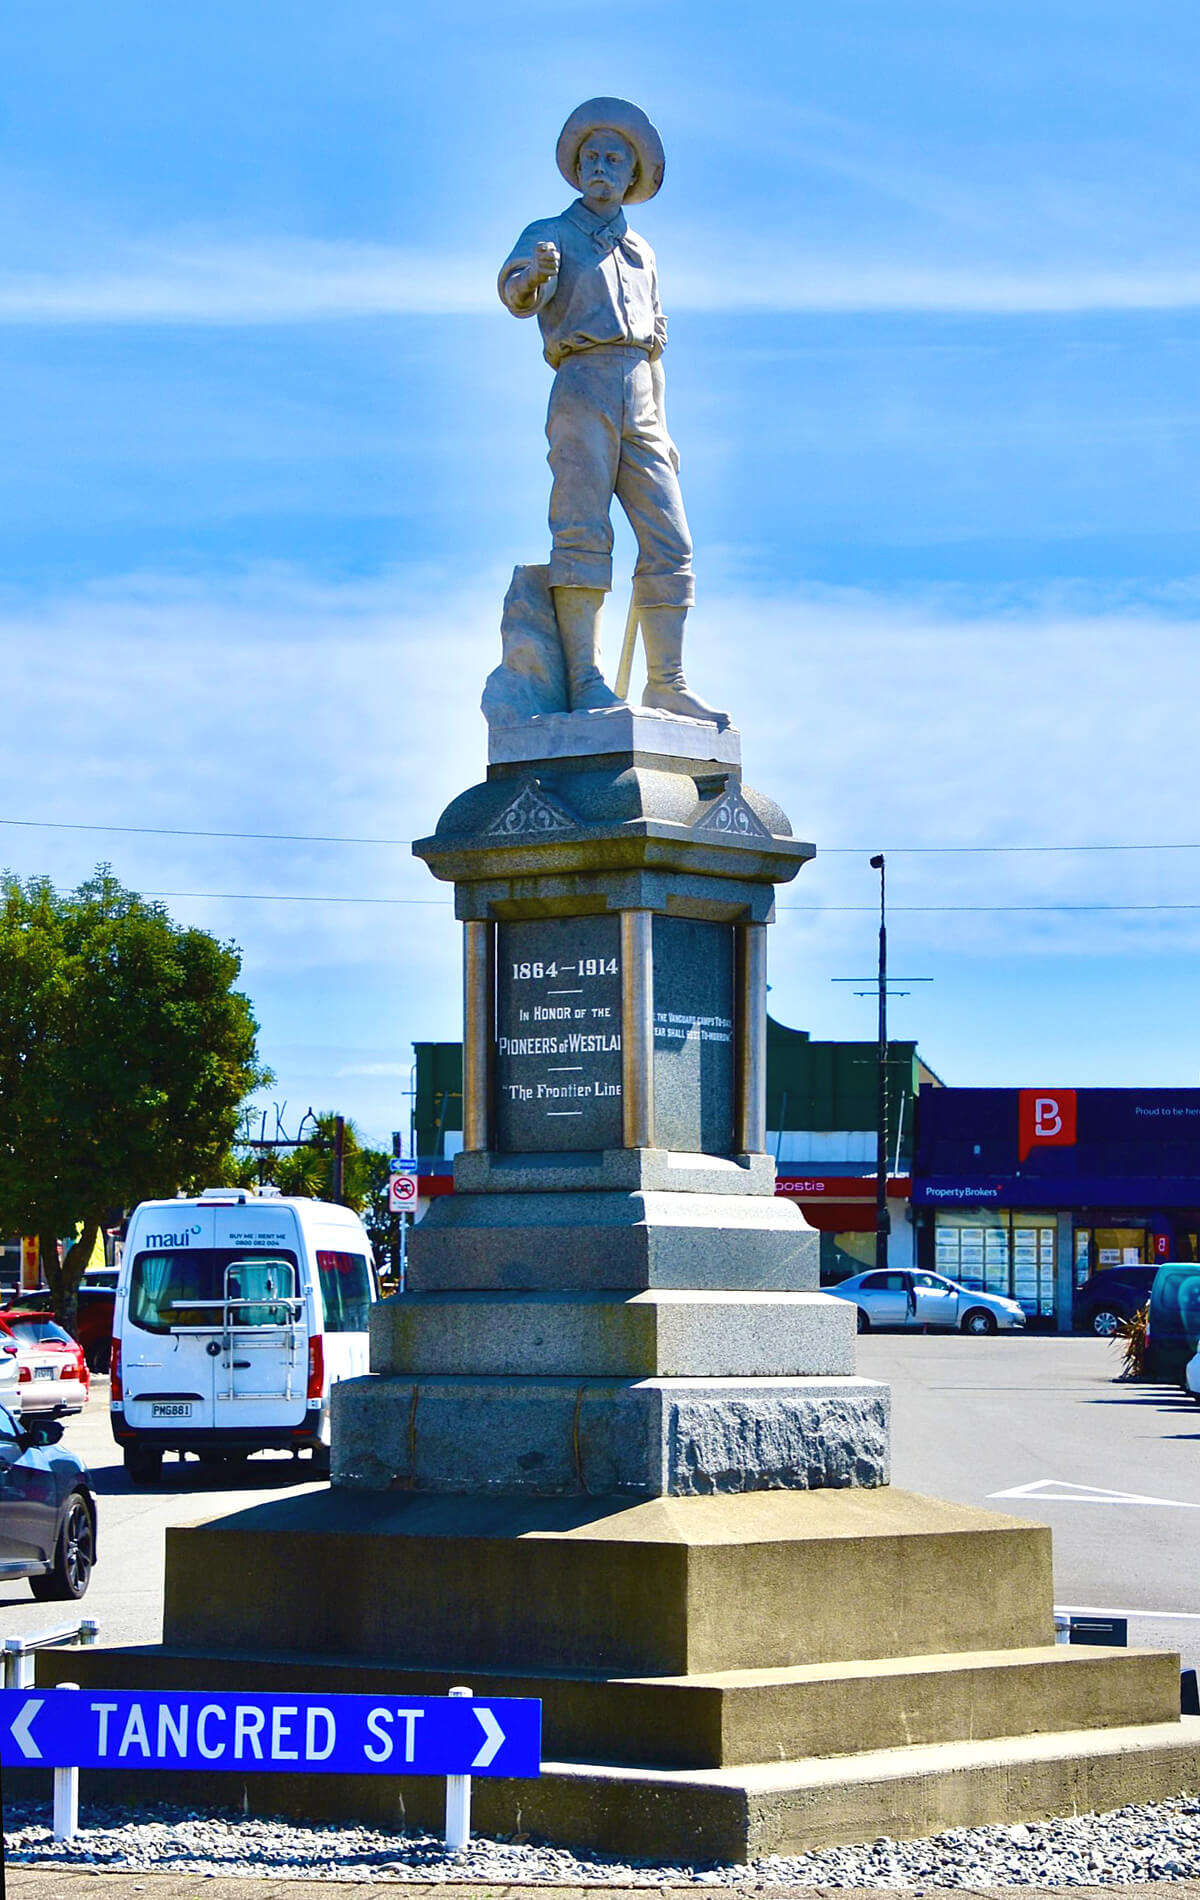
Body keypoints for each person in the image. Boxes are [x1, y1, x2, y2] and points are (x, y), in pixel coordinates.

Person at [499, 98, 727, 725]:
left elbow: (654, 345)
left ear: (632, 175)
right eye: (591, 157)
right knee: (580, 529)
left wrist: (664, 421)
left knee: (671, 540)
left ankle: (667, 682)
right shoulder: (551, 233)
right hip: (583, 383)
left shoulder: (643, 252)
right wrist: (535, 275)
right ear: (576, 168)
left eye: (614, 158)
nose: (601, 166)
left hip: (642, 395)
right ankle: (586, 680)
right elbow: (518, 292)